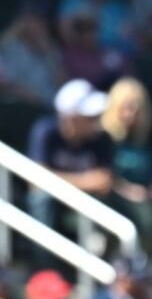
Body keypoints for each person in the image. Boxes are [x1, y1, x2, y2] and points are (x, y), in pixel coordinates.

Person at [26, 79, 114, 242]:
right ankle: (46, 264)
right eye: (90, 117)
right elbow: (36, 182)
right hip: (56, 205)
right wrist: (85, 181)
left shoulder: (102, 139)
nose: (96, 120)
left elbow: (103, 181)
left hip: (87, 204)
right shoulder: (46, 132)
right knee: (42, 200)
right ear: (71, 118)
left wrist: (58, 179)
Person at [100, 77, 152, 204]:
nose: (131, 114)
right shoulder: (102, 137)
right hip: (114, 201)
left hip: (147, 199)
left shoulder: (151, 136)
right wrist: (128, 191)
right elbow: (101, 175)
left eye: (136, 108)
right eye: (127, 107)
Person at [0, 1, 64, 108]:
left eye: (42, 20)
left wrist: (50, 54)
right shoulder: (9, 47)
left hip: (48, 109)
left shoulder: (52, 48)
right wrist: (32, 98)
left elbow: (62, 84)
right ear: (24, 21)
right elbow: (8, 85)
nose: (40, 24)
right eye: (35, 20)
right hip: (19, 107)